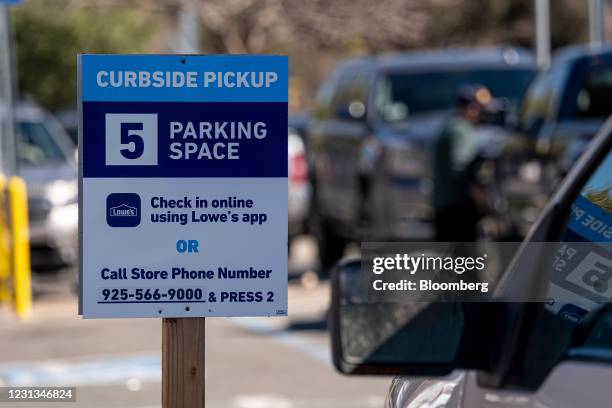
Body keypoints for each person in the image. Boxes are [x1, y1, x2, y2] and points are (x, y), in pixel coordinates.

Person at [432, 84, 490, 243]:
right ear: (471, 108)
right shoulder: (460, 130)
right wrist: (477, 194)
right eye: (480, 108)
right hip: (456, 209)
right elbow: (459, 168)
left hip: (446, 206)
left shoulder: (452, 126)